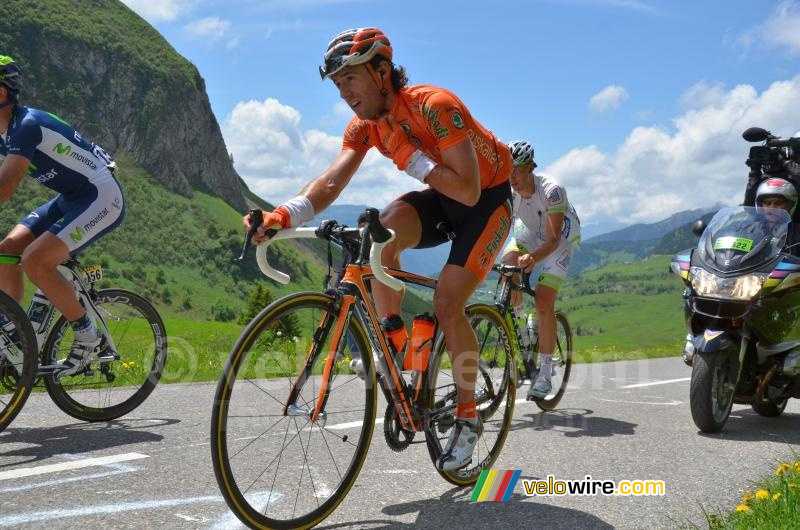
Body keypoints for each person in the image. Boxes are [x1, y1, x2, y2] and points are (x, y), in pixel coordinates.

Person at [244, 28, 512, 471]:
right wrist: (281, 217)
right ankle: (393, 336)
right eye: (337, 84)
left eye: (351, 79)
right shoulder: (365, 126)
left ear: (382, 70)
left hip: (486, 201)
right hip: (443, 195)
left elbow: (467, 191)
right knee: (380, 231)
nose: (344, 92)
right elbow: (330, 183)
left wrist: (410, 157)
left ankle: (467, 419)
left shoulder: (435, 106)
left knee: (448, 302)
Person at [0, 55, 124, 377]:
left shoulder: (26, 126)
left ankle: (86, 334)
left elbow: (6, 183)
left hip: (101, 196)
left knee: (35, 260)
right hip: (71, 198)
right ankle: (14, 329)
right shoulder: (3, 132)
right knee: (8, 248)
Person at [500, 140, 580, 400]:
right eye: (508, 170)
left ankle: (545, 373)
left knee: (544, 301)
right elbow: (499, 228)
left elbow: (554, 239)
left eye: (517, 170)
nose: (512, 177)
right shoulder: (508, 191)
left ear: (530, 167)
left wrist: (533, 259)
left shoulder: (552, 190)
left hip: (560, 238)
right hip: (531, 232)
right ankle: (523, 327)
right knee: (507, 263)